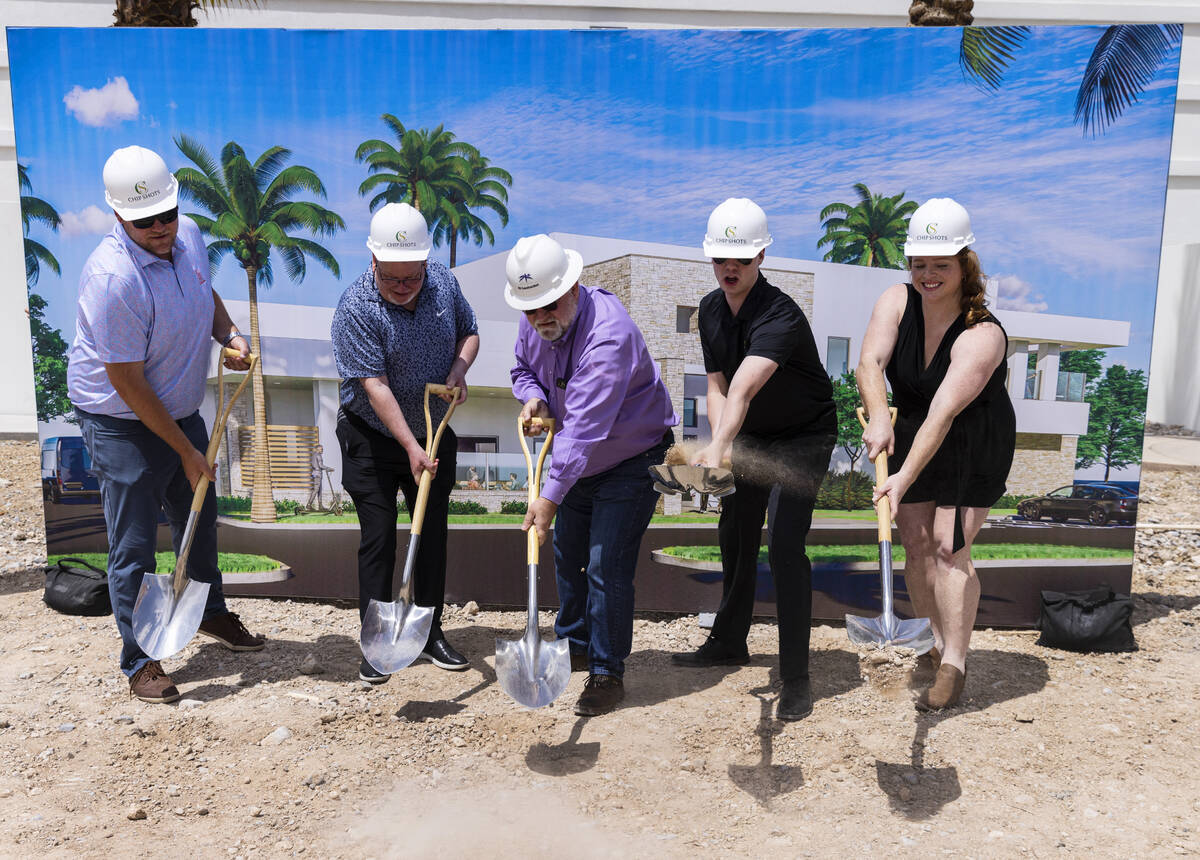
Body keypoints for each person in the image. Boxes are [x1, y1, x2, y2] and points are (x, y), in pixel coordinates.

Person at [69, 145, 264, 705]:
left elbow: (205, 291)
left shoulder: (190, 236)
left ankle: (210, 612)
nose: (160, 228)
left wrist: (230, 335)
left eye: (167, 214)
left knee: (197, 519)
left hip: (179, 410)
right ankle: (139, 658)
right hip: (119, 420)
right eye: (144, 221)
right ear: (118, 215)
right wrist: (185, 450)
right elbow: (128, 383)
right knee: (133, 543)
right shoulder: (112, 279)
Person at [672, 198, 836, 722]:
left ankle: (796, 677)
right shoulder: (710, 310)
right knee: (735, 532)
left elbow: (744, 387)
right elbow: (718, 387)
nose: (730, 268)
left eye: (741, 258)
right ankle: (728, 641)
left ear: (762, 255)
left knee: (784, 542)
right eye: (720, 258)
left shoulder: (780, 314)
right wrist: (719, 446)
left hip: (804, 437)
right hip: (752, 434)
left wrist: (719, 446)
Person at [507, 234, 676, 717]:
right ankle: (575, 646)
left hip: (631, 457)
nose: (541, 317)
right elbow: (523, 368)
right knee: (568, 555)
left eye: (550, 305)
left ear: (573, 287)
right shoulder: (533, 324)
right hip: (579, 459)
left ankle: (606, 671)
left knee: (606, 563)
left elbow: (582, 429)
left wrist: (548, 499)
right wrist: (534, 397)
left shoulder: (608, 335)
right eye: (531, 309)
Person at [856, 197, 1015, 710]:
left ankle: (954, 664)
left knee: (949, 547)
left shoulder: (983, 334)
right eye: (919, 263)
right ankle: (932, 643)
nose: (928, 274)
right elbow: (869, 362)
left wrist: (900, 479)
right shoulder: (896, 300)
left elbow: (944, 413)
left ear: (965, 264)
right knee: (917, 545)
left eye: (941, 264)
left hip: (972, 439)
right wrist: (880, 416)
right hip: (912, 427)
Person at [331, 202, 479, 684]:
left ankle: (430, 631)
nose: (402, 286)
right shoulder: (356, 308)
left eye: (412, 277)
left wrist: (459, 369)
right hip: (371, 436)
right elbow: (375, 387)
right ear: (373, 260)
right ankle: (376, 641)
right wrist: (409, 447)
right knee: (378, 538)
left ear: (425, 262)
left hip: (433, 431)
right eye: (392, 278)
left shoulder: (443, 284)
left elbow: (469, 333)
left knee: (431, 534)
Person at [306, 443, 333, 510]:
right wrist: (329, 468)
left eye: (322, 449)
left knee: (319, 490)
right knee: (316, 490)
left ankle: (320, 506)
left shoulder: (313, 455)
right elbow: (321, 466)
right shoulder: (318, 455)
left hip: (315, 473)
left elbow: (315, 465)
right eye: (321, 449)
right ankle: (309, 504)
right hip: (318, 474)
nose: (322, 450)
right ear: (317, 449)